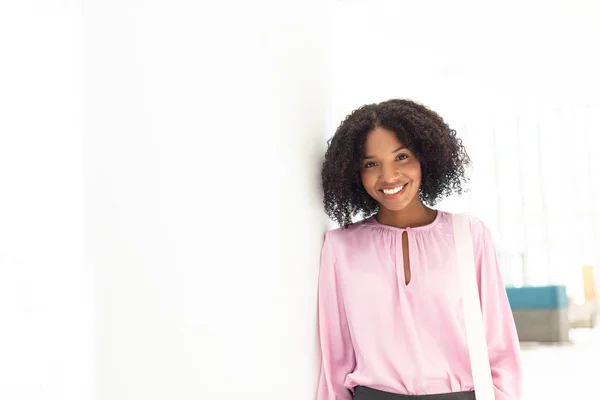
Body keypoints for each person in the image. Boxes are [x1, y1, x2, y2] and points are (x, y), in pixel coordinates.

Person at [316, 99, 521, 400]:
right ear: (354, 173)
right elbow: (335, 361)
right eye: (371, 164)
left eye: (401, 157)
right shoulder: (340, 247)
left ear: (425, 157)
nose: (389, 176)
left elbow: (500, 346)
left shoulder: (468, 234)